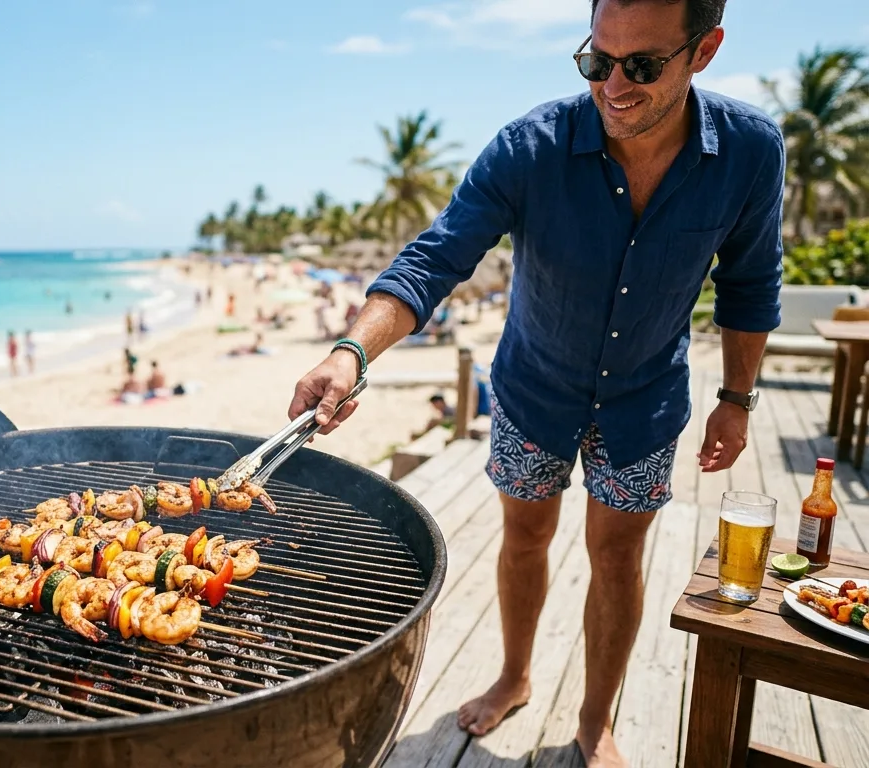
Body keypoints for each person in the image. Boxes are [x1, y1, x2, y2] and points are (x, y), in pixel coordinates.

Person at [286, 3, 779, 764]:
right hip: (532, 391)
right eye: (595, 62)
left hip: (644, 401)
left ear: (703, 51)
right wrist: (352, 351)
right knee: (526, 537)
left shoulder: (749, 151)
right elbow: (435, 257)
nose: (612, 86)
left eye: (641, 67)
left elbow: (751, 285)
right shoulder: (528, 146)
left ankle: (594, 721)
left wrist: (737, 400)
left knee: (618, 558)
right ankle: (514, 677)